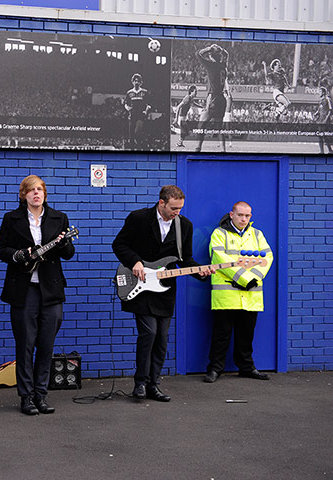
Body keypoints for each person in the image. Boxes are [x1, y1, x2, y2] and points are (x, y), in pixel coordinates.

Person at [112, 185, 213, 402]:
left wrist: (201, 272)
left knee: (162, 339)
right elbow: (119, 244)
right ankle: (139, 383)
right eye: (174, 208)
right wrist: (135, 262)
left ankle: (153, 385)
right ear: (161, 203)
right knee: (149, 333)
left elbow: (185, 259)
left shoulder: (184, 225)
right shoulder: (138, 218)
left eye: (180, 208)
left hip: (165, 289)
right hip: (140, 286)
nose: (177, 212)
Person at [0, 175, 75, 415]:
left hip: (51, 290)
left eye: (40, 189)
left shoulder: (59, 218)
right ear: (24, 194)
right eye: (31, 190)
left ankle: (41, 394)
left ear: (45, 194)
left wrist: (63, 245)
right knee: (25, 345)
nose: (36, 193)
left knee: (46, 344)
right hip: (23, 289)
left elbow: (69, 253)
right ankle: (26, 397)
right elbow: (0, 249)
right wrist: (18, 255)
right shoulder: (11, 219)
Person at [204, 202, 273, 383]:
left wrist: (254, 279)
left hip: (251, 295)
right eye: (240, 215)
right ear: (231, 214)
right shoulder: (220, 234)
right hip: (226, 295)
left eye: (247, 216)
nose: (244, 219)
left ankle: (247, 367)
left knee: (246, 334)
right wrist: (244, 278)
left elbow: (267, 258)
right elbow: (220, 258)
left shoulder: (257, 235)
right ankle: (215, 369)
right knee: (221, 335)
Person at [194, 44, 229, 152]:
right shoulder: (223, 66)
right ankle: (223, 150)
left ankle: (198, 147)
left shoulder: (211, 66)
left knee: (201, 125)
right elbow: (227, 55)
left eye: (210, 55)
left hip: (213, 98)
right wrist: (220, 49)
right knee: (219, 128)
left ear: (211, 56)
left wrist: (210, 48)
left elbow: (198, 54)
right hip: (221, 99)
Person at [124, 73, 151, 149]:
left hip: (141, 115)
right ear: (132, 82)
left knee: (137, 132)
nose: (136, 82)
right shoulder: (129, 93)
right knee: (131, 137)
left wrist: (146, 111)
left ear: (141, 82)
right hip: (132, 115)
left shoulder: (144, 92)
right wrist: (127, 108)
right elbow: (126, 103)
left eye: (138, 81)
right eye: (135, 81)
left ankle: (140, 145)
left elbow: (148, 104)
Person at [315, 86, 333, 154]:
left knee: (325, 136)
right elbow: (319, 109)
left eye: (320, 91)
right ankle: (321, 152)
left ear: (323, 92)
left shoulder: (327, 99)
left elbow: (330, 110)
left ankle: (330, 150)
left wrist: (326, 118)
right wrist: (316, 113)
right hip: (320, 120)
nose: (319, 93)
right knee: (320, 136)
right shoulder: (320, 100)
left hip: (325, 121)